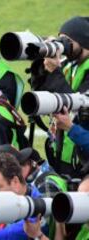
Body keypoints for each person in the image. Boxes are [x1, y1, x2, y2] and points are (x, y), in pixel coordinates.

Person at [31, 16, 89, 178]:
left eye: (66, 40)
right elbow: (43, 92)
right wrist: (41, 67)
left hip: (82, 160)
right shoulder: (71, 66)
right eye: (59, 38)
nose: (62, 44)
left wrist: (54, 71)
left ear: (83, 41)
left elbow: (76, 105)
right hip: (62, 151)